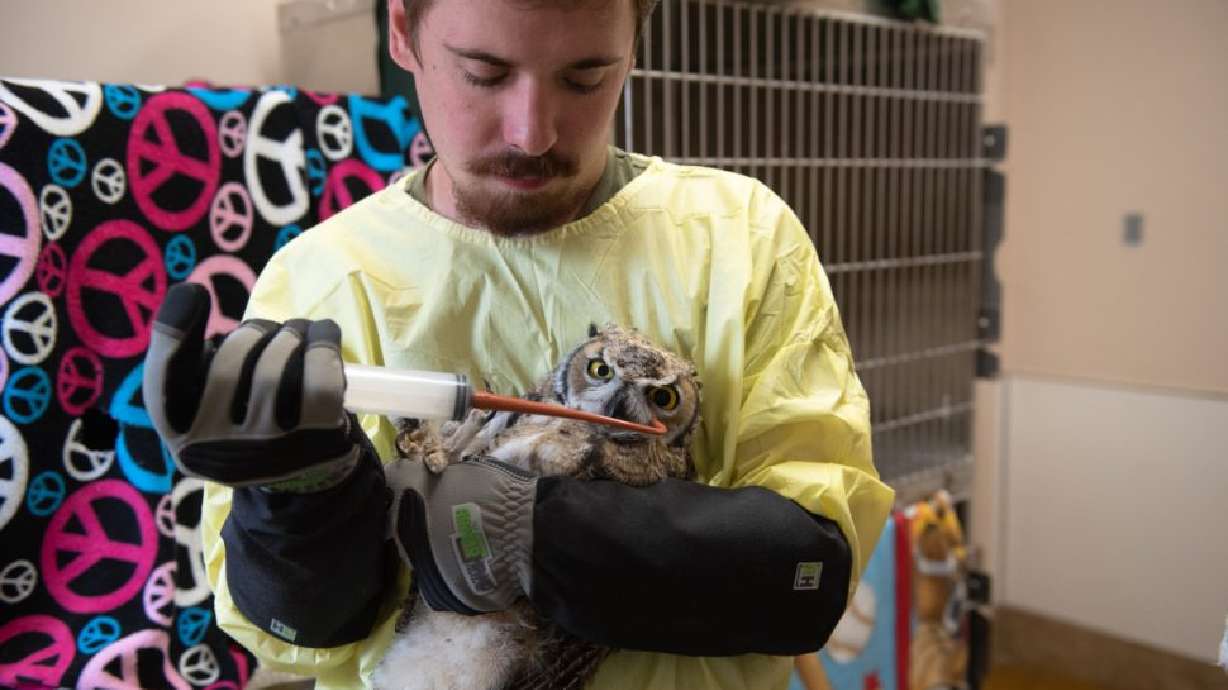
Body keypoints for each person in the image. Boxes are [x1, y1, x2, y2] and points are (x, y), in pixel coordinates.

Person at [143, 0, 895, 688]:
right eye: (485, 73)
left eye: (585, 77)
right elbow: (303, 636)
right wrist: (293, 506)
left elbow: (805, 576)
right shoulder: (324, 281)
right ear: (402, 31)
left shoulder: (739, 240)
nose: (532, 132)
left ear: (637, 41)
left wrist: (534, 531)